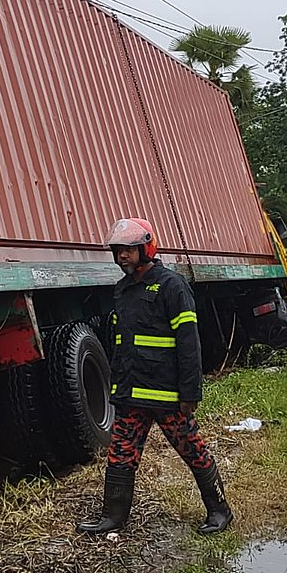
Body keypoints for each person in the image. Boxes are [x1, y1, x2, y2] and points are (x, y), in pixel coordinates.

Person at [78, 217, 233, 536]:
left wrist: (190, 393)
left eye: (129, 250)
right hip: (131, 395)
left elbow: (189, 344)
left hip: (168, 396)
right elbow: (122, 345)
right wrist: (117, 390)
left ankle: (219, 510)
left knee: (193, 451)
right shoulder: (121, 290)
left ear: (146, 249)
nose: (122, 256)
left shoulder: (173, 286)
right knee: (120, 455)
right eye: (118, 250)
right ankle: (113, 516)